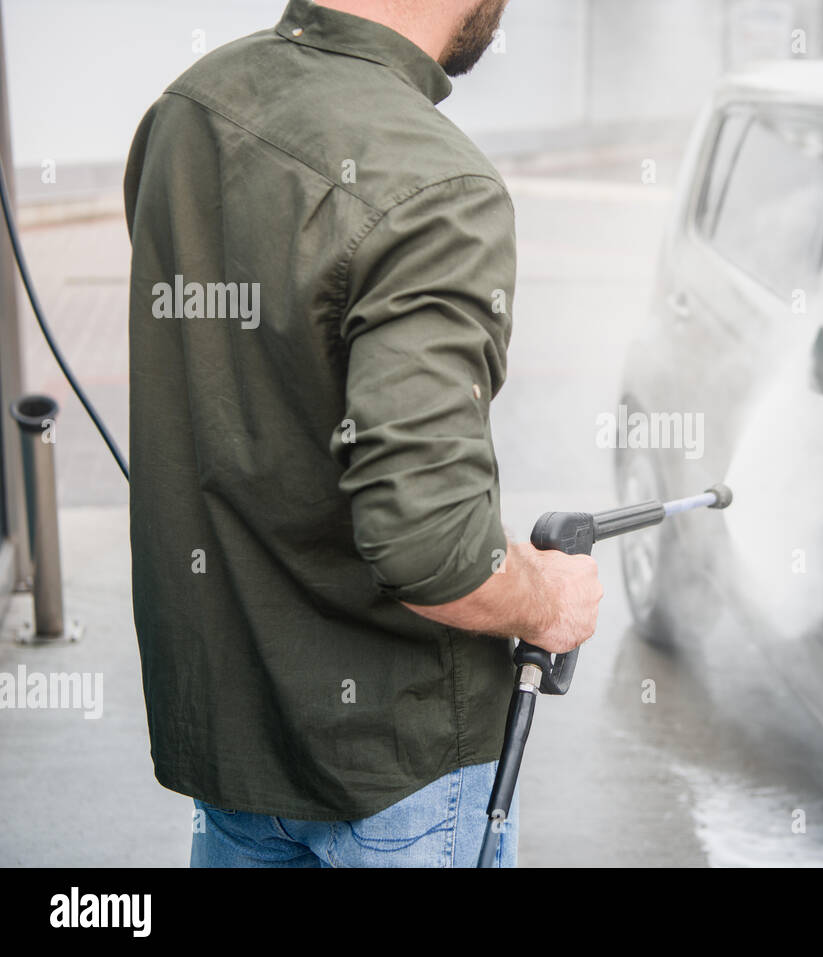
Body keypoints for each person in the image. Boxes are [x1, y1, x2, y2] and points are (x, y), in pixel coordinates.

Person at [123, 0, 602, 867]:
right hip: (397, 776)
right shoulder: (435, 184)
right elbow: (434, 551)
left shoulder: (187, 109)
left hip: (232, 755)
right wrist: (547, 596)